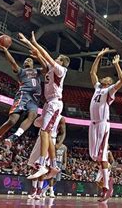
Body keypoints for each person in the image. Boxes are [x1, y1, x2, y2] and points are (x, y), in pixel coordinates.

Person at [20, 32, 70, 180]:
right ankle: (53, 166)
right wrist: (29, 43)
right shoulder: (51, 68)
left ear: (61, 62)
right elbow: (41, 57)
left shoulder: (61, 70)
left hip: (54, 103)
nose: (55, 59)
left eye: (58, 58)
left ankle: (42, 165)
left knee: (44, 132)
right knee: (43, 131)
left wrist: (35, 42)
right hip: (48, 104)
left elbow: (46, 56)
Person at [0, 41, 43, 156]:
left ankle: (13, 137)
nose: (27, 60)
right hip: (23, 95)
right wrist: (6, 50)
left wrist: (38, 55)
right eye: (26, 60)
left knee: (32, 116)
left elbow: (47, 67)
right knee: (12, 121)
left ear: (33, 64)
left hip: (34, 99)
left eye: (30, 60)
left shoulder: (38, 71)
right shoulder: (21, 72)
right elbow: (12, 62)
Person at [88, 47, 122, 202]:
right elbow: (92, 73)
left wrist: (117, 65)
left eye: (109, 79)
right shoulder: (97, 88)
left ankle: (106, 186)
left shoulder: (109, 90)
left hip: (103, 125)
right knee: (94, 156)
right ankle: (106, 177)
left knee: (102, 155)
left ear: (110, 83)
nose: (106, 79)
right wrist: (99, 56)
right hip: (93, 124)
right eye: (106, 78)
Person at [27, 115, 66, 200]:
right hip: (40, 139)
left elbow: (63, 132)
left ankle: (39, 190)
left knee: (42, 166)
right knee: (34, 165)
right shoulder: (46, 114)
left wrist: (58, 145)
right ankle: (34, 188)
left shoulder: (61, 118)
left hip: (51, 139)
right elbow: (35, 123)